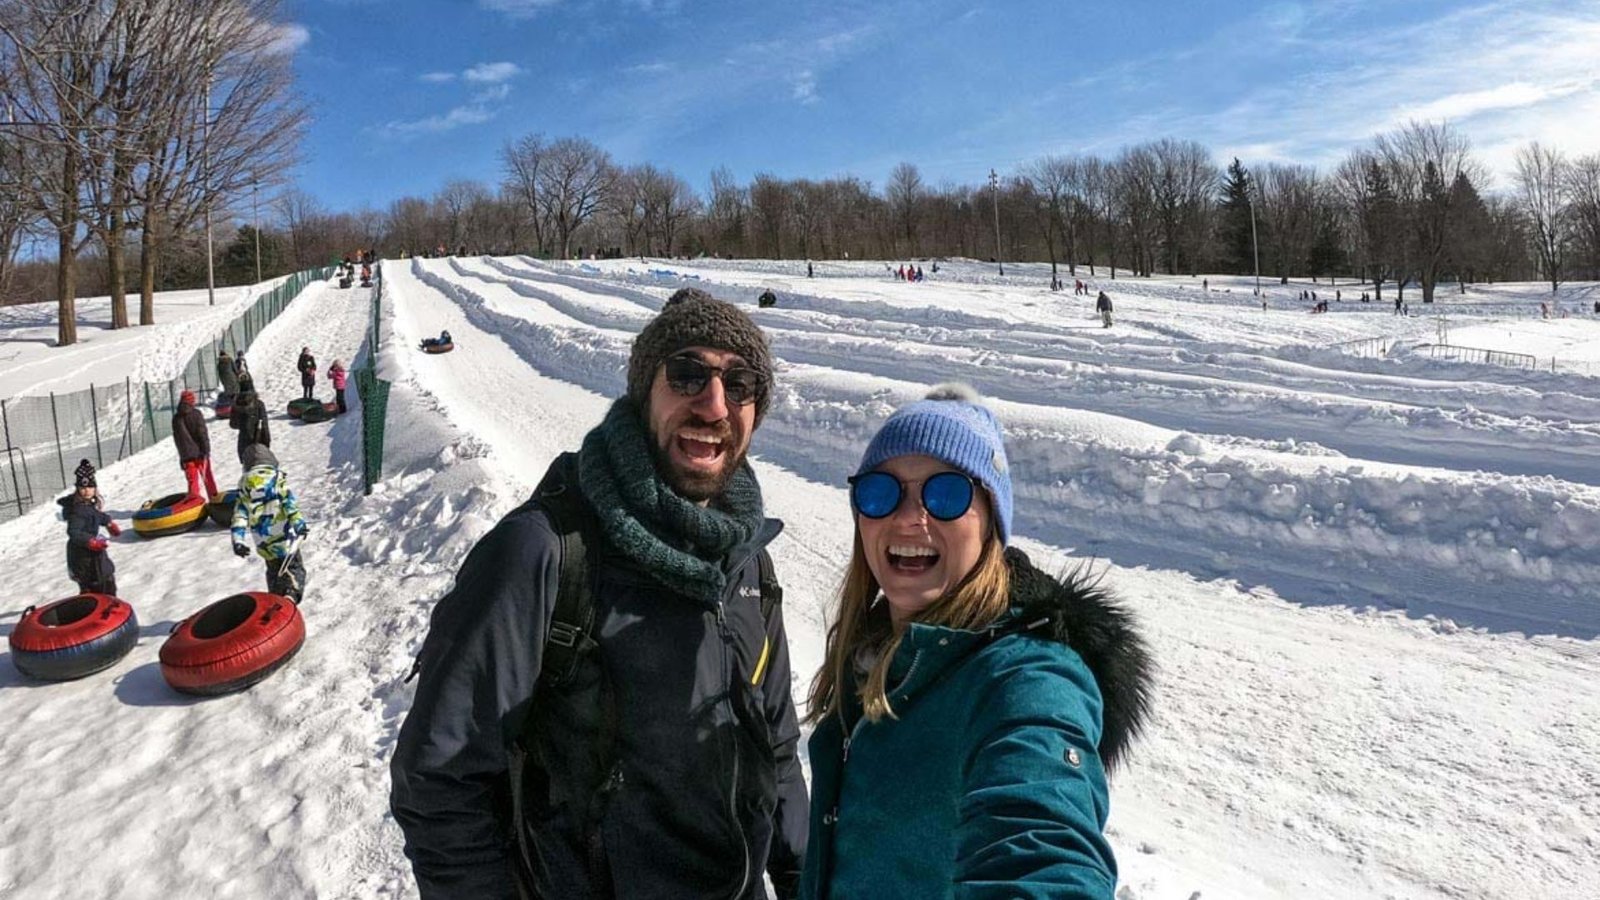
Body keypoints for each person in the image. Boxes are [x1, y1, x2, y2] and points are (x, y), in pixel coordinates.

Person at [392, 287, 807, 900]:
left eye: (740, 384)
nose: (714, 404)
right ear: (645, 392)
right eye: (688, 373)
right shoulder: (543, 552)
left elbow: (775, 748)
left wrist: (804, 878)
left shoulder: (747, 560)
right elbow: (440, 783)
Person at [799, 384, 1151, 899]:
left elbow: (1041, 847)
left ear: (990, 522)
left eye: (946, 494)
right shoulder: (880, 652)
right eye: (880, 492)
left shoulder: (1027, 678)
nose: (908, 517)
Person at [231, 445, 308, 603]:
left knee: (274, 572)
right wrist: (299, 525)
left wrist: (238, 541)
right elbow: (290, 505)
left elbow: (239, 516)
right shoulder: (276, 480)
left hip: (265, 544)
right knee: (294, 569)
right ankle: (290, 598)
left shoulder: (244, 486)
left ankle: (275, 599)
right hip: (285, 539)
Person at [57, 460, 120, 596]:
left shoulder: (88, 504)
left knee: (105, 576)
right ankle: (94, 605)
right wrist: (89, 541)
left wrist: (108, 522)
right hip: (82, 555)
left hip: (92, 551)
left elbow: (95, 514)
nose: (86, 491)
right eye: (83, 488)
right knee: (94, 582)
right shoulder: (77, 510)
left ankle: (106, 599)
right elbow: (73, 532)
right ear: (78, 489)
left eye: (90, 487)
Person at [172, 390, 219, 499]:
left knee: (193, 482)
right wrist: (206, 450)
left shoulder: (176, 418)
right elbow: (202, 433)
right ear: (192, 401)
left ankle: (194, 505)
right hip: (200, 453)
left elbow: (178, 439)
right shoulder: (196, 414)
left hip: (187, 456)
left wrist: (182, 457)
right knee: (207, 478)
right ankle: (215, 501)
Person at [229, 387, 270, 464]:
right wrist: (267, 443)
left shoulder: (236, 405)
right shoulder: (258, 404)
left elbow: (233, 424)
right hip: (259, 440)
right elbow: (264, 425)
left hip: (243, 442)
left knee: (247, 468)